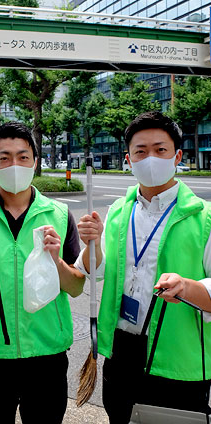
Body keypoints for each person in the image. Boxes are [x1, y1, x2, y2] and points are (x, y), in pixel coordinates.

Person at [75, 111, 211, 423]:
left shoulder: (204, 218)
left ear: (177, 155)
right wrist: (91, 245)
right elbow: (95, 272)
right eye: (141, 151)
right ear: (129, 159)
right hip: (122, 352)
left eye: (160, 150)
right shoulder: (118, 212)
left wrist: (188, 287)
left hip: (180, 360)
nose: (150, 158)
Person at [0, 121, 85, 423]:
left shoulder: (59, 215)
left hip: (46, 355)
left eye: (23, 157)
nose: (15, 165)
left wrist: (56, 260)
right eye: (5, 158)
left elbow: (75, 287)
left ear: (35, 162)